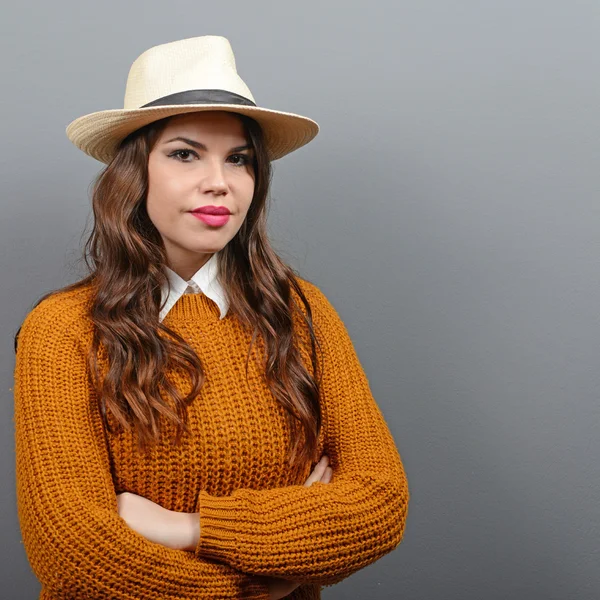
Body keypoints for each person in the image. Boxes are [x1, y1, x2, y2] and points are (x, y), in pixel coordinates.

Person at [12, 35, 410, 600]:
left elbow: (379, 503)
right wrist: (277, 570)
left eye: (239, 159)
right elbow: (74, 555)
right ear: (134, 173)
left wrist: (187, 528)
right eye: (184, 153)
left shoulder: (303, 312)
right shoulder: (64, 329)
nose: (219, 181)